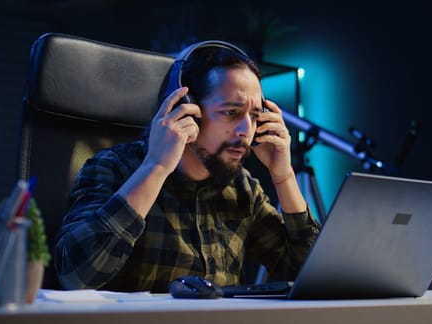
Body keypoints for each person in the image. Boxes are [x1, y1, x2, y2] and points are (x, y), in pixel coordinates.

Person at [53, 42, 321, 292]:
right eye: (231, 113)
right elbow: (76, 276)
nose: (246, 131)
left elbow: (311, 275)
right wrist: (157, 167)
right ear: (187, 108)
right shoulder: (112, 168)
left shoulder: (243, 188)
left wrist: (283, 176)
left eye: (254, 116)